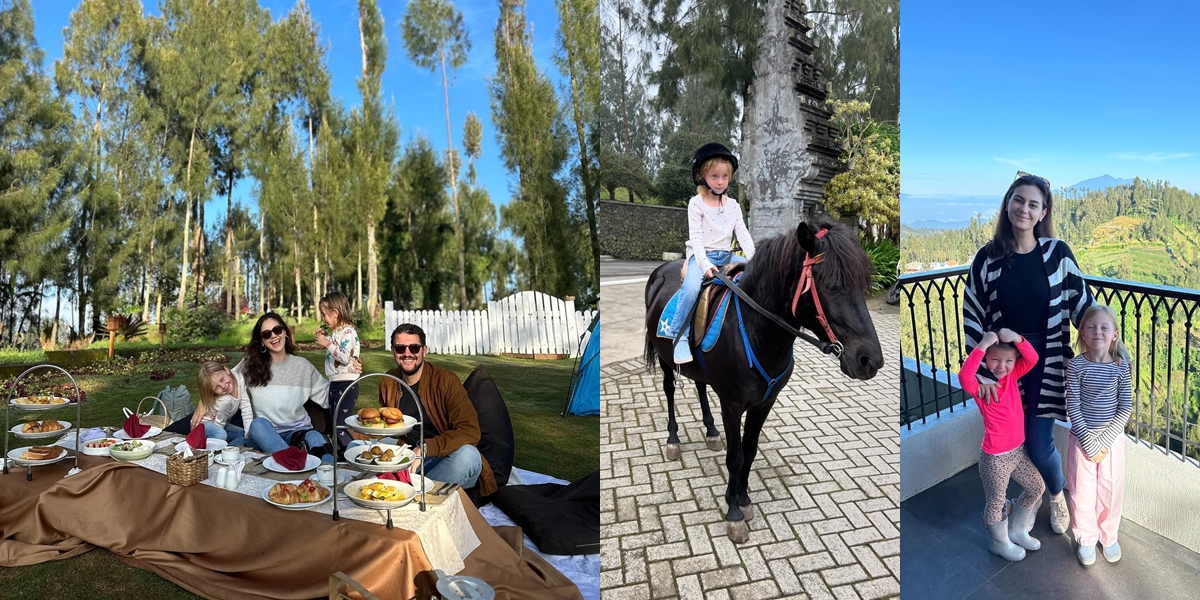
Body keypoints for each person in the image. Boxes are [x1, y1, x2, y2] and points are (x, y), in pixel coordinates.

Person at [963, 173, 1094, 535]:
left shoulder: (1057, 254)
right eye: (1018, 200)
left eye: (1033, 204)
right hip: (1005, 368)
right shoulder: (987, 259)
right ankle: (1020, 504)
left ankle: (1055, 496)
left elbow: (1082, 306)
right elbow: (972, 312)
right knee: (1010, 442)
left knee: (1038, 443)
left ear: (1042, 212)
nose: (1024, 208)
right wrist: (984, 372)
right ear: (1008, 204)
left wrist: (1105, 345)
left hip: (1047, 360)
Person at [658, 142, 756, 364]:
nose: (720, 181)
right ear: (702, 177)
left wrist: (756, 259)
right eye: (714, 176)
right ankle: (679, 336)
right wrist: (704, 265)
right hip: (703, 256)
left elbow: (743, 235)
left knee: (757, 275)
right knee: (692, 287)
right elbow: (697, 239)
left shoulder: (733, 206)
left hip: (727, 255)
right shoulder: (696, 203)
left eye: (724, 176)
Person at [372, 323, 497, 495]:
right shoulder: (389, 381)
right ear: (393, 351)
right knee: (356, 446)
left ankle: (414, 494)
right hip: (411, 458)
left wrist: (425, 448)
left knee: (469, 456)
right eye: (400, 348)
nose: (407, 353)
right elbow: (384, 424)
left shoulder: (445, 381)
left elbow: (470, 431)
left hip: (447, 457)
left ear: (424, 350)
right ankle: (416, 488)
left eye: (414, 348)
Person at [958, 328, 1045, 561]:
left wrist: (1017, 338)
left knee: (1037, 487)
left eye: (1008, 361)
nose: (1001, 366)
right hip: (995, 458)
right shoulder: (982, 387)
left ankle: (1017, 529)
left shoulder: (1011, 376)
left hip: (1017, 452)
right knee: (996, 502)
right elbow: (964, 377)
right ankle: (999, 542)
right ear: (986, 359)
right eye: (995, 359)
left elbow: (1033, 358)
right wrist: (983, 344)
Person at [1065, 304, 1132, 566]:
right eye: (1091, 327)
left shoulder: (1120, 367)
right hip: (1082, 440)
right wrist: (1089, 443)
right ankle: (1086, 537)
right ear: (1082, 332)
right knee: (1082, 490)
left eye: (1104, 327)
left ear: (1114, 334)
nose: (1097, 332)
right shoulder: (1076, 366)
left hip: (1111, 442)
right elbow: (1074, 405)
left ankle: (1109, 535)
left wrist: (1102, 442)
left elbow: (1125, 407)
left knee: (1110, 489)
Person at [235, 312, 334, 462]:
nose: (274, 336)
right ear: (262, 342)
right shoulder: (249, 365)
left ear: (285, 331)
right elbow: (221, 381)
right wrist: (204, 404)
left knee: (315, 437)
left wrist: (346, 375)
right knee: (257, 424)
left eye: (277, 329)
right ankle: (295, 463)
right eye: (267, 334)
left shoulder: (302, 366)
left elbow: (329, 397)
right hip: (264, 436)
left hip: (297, 433)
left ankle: (332, 476)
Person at [316, 292, 360, 451]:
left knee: (340, 426)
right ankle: (341, 454)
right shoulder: (337, 332)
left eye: (324, 314)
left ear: (335, 313)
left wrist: (327, 343)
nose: (323, 319)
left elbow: (344, 357)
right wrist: (326, 337)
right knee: (335, 424)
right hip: (336, 384)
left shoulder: (348, 332)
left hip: (347, 385)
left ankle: (355, 453)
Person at [191, 361, 253, 447]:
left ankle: (227, 452)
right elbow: (219, 426)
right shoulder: (224, 401)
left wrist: (248, 430)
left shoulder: (239, 379)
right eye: (217, 387)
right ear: (212, 391)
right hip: (204, 426)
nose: (223, 386)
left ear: (226, 370)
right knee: (220, 435)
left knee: (243, 435)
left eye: (222, 379)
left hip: (221, 424)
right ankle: (210, 453)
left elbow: (246, 406)